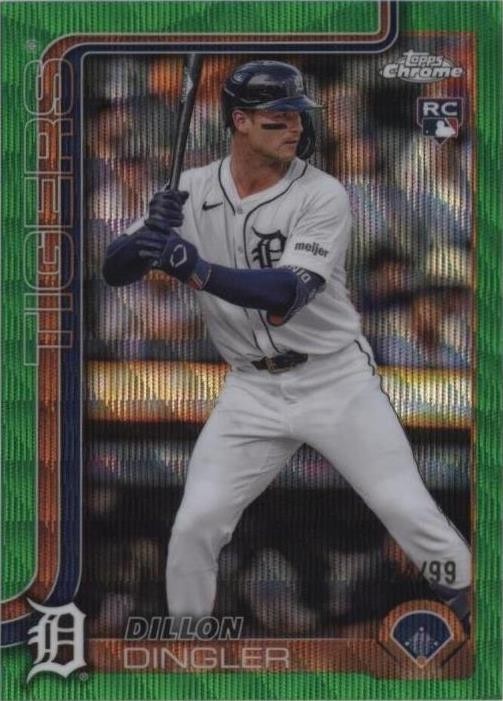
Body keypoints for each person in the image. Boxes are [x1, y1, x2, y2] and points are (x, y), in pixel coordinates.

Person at [102, 60, 471, 631]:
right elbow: (114, 269)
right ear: (240, 121)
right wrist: (149, 232)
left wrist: (195, 268)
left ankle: (484, 629)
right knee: (195, 527)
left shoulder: (321, 194)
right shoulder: (192, 188)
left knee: (410, 513)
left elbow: (285, 293)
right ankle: (187, 649)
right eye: (278, 118)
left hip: (333, 379)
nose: (295, 127)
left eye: (297, 115)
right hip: (252, 386)